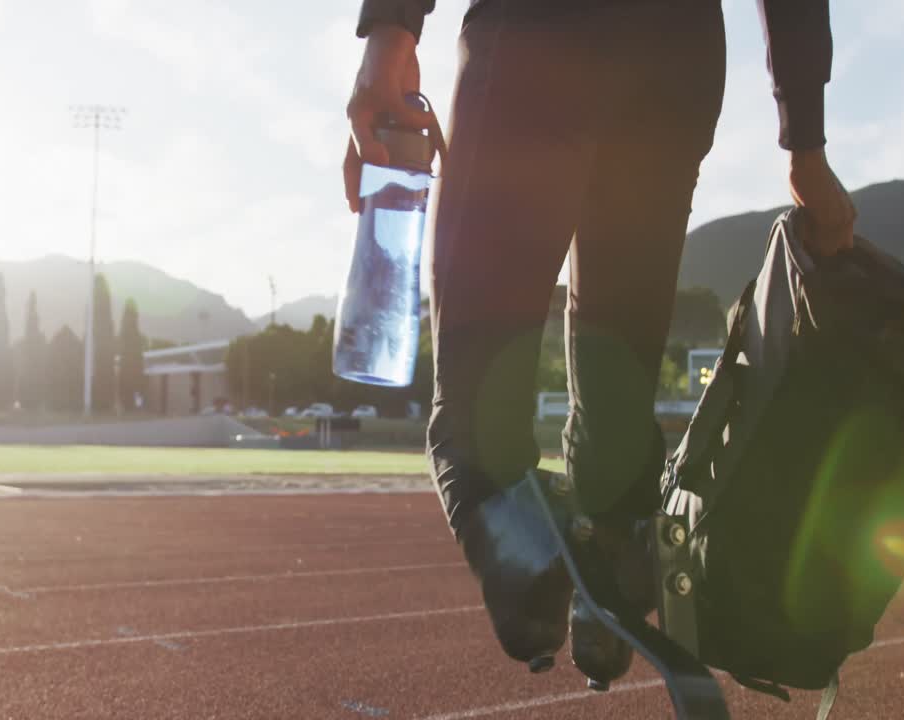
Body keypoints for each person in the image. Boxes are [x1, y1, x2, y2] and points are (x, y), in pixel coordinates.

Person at [342, 0, 857, 689]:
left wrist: (390, 30)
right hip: (673, 68)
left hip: (539, 39)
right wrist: (806, 144)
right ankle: (611, 555)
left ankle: (532, 558)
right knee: (616, 417)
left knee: (472, 419)